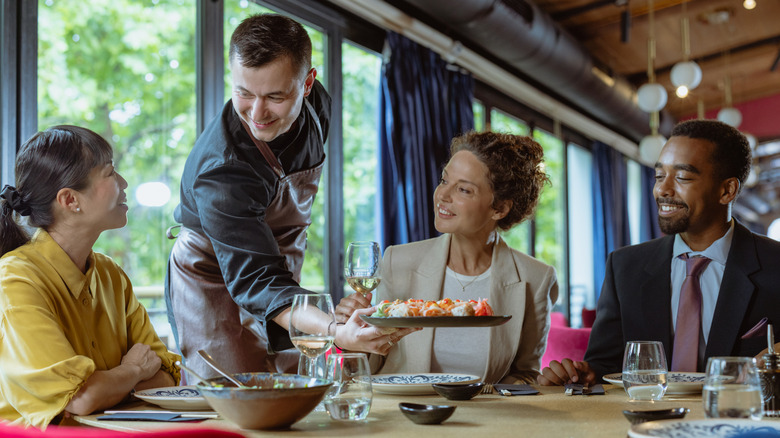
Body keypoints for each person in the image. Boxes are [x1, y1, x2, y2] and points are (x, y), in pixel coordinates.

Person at [166, 13, 414, 381]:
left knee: (291, 384)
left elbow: (273, 273)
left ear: (308, 83)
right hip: (212, 273)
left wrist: (320, 320)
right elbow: (257, 279)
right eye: (243, 93)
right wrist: (334, 330)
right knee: (232, 390)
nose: (257, 113)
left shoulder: (318, 110)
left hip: (278, 261)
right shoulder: (221, 171)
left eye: (275, 96)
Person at [538, 119, 780, 386]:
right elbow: (605, 364)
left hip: (738, 421)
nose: (662, 190)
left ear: (727, 190)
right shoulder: (625, 266)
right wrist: (585, 374)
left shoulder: (775, 264)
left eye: (683, 177)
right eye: (659, 176)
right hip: (643, 418)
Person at [337, 131, 558, 384]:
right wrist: (351, 336)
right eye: (444, 181)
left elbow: (526, 373)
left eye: (463, 189)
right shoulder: (397, 261)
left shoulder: (536, 278)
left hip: (487, 419)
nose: (443, 195)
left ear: (500, 208)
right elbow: (370, 365)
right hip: (404, 414)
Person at [0, 126, 180, 428]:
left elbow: (165, 378)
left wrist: (109, 384)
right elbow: (81, 398)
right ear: (70, 200)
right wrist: (134, 371)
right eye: (110, 173)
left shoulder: (111, 274)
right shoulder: (16, 280)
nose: (123, 182)